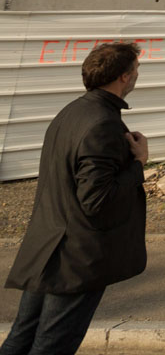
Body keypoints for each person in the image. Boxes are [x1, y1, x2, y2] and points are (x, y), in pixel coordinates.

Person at [2, 42, 148, 355]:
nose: (137, 75)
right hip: (75, 258)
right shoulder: (104, 123)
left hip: (48, 248)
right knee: (51, 347)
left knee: (20, 339)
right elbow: (96, 199)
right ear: (123, 77)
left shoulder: (72, 111)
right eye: (136, 70)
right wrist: (139, 164)